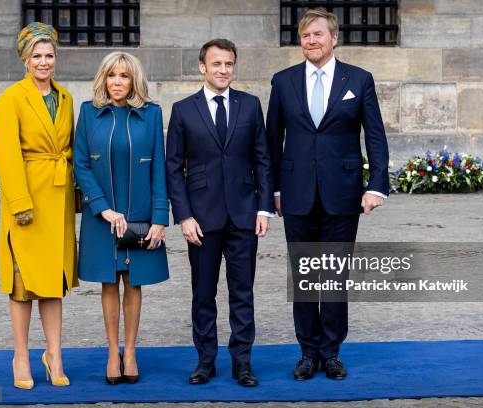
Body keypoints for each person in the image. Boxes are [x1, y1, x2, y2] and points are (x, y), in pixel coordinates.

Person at [266, 9, 389, 381]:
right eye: (305, 35)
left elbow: (376, 135)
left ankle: (331, 351)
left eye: (318, 34)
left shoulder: (360, 79)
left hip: (343, 193)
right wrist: (273, 188)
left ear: (334, 38)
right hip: (296, 192)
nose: (312, 41)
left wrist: (377, 184)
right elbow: (273, 140)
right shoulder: (283, 81)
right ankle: (307, 352)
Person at [166, 39, 273, 387]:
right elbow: (172, 169)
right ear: (202, 67)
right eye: (216, 64)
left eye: (228, 64)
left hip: (244, 215)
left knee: (243, 293)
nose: (223, 70)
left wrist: (264, 208)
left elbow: (262, 159)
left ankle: (242, 362)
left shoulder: (251, 105)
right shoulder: (183, 110)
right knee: (203, 293)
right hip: (201, 218)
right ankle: (205, 361)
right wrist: (184, 216)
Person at [0, 22, 78, 389]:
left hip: (57, 199)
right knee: (23, 283)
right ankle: (22, 355)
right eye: (36, 56)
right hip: (27, 199)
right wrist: (20, 203)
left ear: (56, 58)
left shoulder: (66, 98)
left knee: (53, 282)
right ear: (25, 60)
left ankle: (54, 354)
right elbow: (7, 156)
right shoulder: (11, 99)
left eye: (49, 55)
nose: (43, 62)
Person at [74, 51, 169, 385]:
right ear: (104, 78)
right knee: (109, 281)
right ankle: (111, 351)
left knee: (134, 281)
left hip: (141, 213)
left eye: (124, 76)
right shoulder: (88, 113)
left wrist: (160, 218)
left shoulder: (152, 114)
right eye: (112, 75)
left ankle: (130, 352)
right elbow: (81, 165)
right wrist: (103, 207)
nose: (117, 82)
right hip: (103, 215)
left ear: (134, 80)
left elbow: (159, 166)